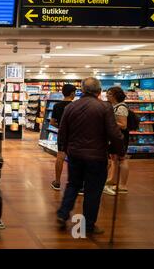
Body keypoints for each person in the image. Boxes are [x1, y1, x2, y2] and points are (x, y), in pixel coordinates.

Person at [56, 77, 124, 235]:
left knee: (73, 184)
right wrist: (120, 152)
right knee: (93, 190)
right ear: (99, 91)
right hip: (97, 156)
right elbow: (114, 133)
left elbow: (62, 131)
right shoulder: (104, 107)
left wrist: (63, 149)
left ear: (82, 90)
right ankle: (88, 225)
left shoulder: (71, 107)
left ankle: (63, 214)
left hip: (75, 154)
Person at [103, 86, 130, 195]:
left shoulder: (121, 107)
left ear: (115, 95)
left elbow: (123, 125)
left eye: (109, 94)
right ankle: (113, 179)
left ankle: (123, 185)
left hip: (120, 136)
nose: (107, 95)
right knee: (114, 158)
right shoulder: (115, 106)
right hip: (115, 136)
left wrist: (108, 122)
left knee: (122, 159)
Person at [50, 84, 77, 191]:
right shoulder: (75, 105)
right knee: (74, 158)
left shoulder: (57, 106)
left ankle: (57, 182)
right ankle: (74, 182)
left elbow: (52, 122)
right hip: (75, 134)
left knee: (60, 156)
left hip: (62, 134)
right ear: (72, 93)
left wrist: (61, 127)